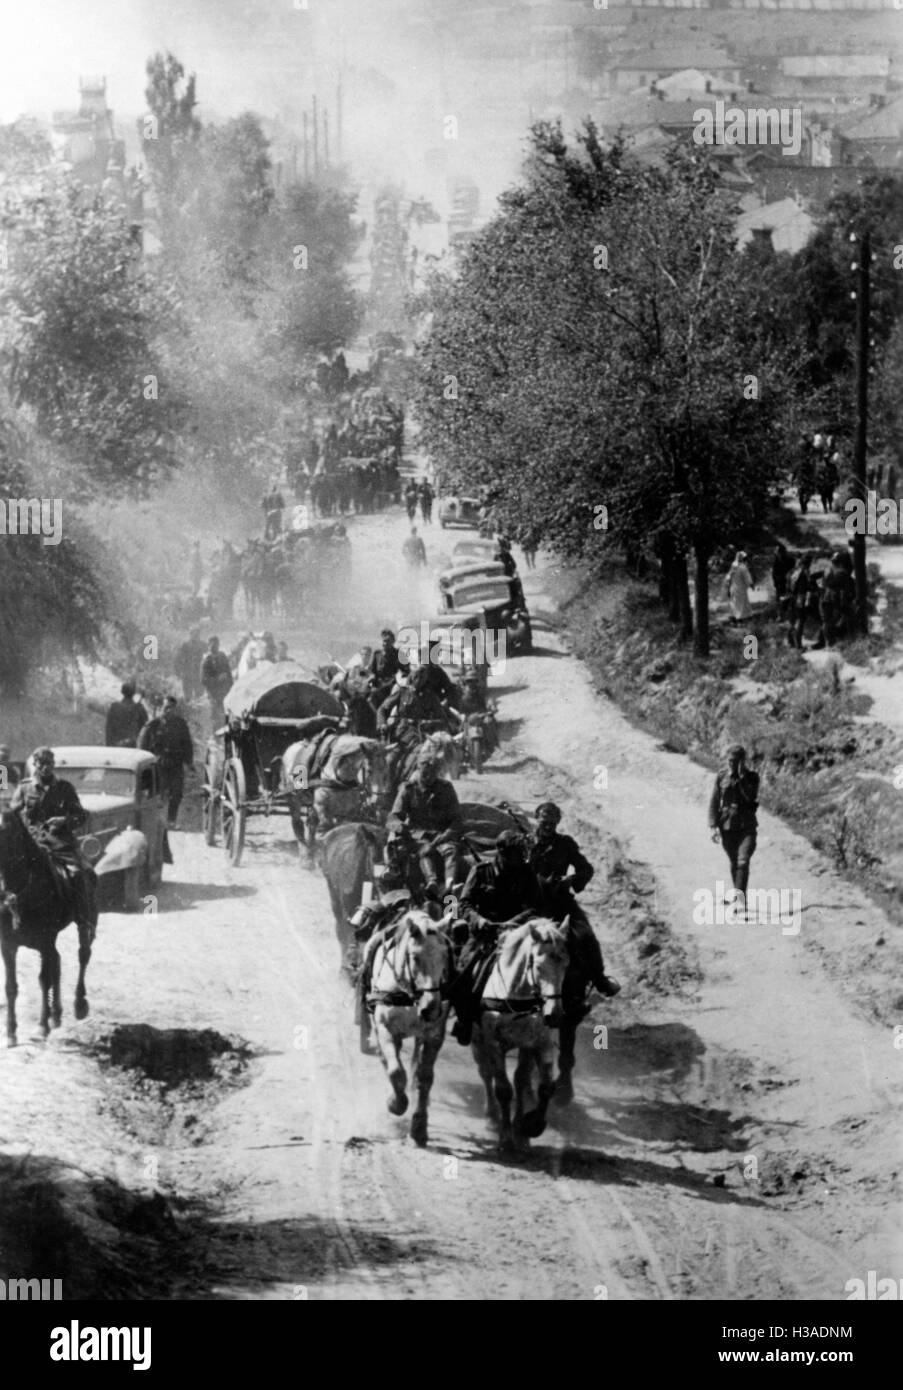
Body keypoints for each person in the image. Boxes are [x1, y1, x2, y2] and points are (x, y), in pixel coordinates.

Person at [449, 830, 547, 1045]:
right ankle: (464, 1020)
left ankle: (549, 1017)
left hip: (516, 935)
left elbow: (535, 906)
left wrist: (514, 923)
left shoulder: (527, 873)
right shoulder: (480, 871)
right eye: (517, 853)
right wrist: (480, 921)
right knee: (462, 975)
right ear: (502, 853)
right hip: (484, 936)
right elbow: (464, 904)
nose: (521, 858)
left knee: (547, 965)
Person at [528, 802, 620, 997]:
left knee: (587, 937)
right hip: (530, 903)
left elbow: (586, 869)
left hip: (560, 902)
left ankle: (600, 979)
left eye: (552, 823)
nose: (548, 826)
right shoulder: (525, 843)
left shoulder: (565, 843)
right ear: (536, 819)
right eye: (544, 821)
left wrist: (571, 880)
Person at [10, 747, 96, 933]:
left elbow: (81, 815)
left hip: (60, 844)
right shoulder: (24, 788)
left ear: (54, 765)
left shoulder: (65, 788)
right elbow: (12, 814)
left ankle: (84, 923)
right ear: (35, 765)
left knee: (78, 874)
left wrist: (64, 820)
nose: (45, 768)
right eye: (41, 764)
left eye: (49, 763)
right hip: (32, 844)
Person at [386, 751, 462, 901]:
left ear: (438, 772)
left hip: (442, 836)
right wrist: (400, 827)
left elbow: (457, 820)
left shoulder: (446, 789)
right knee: (425, 851)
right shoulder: (408, 789)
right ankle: (431, 882)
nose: (428, 776)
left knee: (451, 851)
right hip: (417, 837)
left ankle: (450, 887)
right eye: (425, 772)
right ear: (418, 769)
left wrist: (446, 835)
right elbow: (393, 817)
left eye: (433, 773)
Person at [708, 745, 759, 911]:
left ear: (742, 761)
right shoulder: (722, 776)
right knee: (734, 862)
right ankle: (739, 896)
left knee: (743, 860)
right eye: (729, 760)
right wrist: (713, 825)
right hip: (727, 825)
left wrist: (742, 777)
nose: (731, 764)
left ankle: (740, 902)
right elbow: (715, 801)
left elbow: (750, 797)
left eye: (735, 761)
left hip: (747, 825)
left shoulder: (752, 778)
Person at [139, 696, 194, 827]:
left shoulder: (181, 724)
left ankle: (171, 821)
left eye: (171, 708)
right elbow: (142, 745)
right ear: (161, 709)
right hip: (158, 766)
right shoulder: (152, 725)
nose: (168, 711)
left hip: (176, 764)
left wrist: (189, 762)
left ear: (175, 709)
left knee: (176, 794)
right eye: (166, 708)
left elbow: (187, 744)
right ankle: (153, 822)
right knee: (156, 794)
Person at [369, 630, 407, 710]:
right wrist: (372, 681)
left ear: (393, 641)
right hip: (378, 684)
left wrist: (400, 679)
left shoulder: (399, 654)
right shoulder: (377, 654)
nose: (385, 643)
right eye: (384, 641)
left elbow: (407, 670)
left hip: (392, 684)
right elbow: (372, 671)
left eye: (388, 641)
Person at [201, 636, 233, 726]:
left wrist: (232, 687)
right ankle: (215, 736)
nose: (213, 646)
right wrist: (217, 680)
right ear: (208, 646)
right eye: (211, 644)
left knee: (227, 714)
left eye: (216, 644)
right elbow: (204, 680)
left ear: (219, 645)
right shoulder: (207, 660)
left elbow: (228, 673)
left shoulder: (222, 656)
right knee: (215, 716)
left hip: (225, 691)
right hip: (213, 693)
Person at [105, 682, 148, 749]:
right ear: (133, 693)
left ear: (122, 692)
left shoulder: (114, 707)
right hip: (134, 747)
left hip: (116, 746)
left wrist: (109, 745)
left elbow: (109, 729)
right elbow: (145, 728)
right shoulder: (139, 708)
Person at [787, 553, 812, 649]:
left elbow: (788, 584)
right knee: (800, 620)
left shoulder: (793, 571)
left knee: (792, 620)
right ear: (808, 563)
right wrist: (806, 601)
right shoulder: (805, 572)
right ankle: (798, 645)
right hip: (800, 598)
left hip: (791, 597)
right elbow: (806, 587)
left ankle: (790, 641)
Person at [174, 627, 205, 703]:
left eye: (197, 634)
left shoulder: (203, 645)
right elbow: (178, 659)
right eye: (194, 634)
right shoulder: (185, 646)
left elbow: (208, 658)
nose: (196, 636)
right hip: (187, 675)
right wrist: (178, 672)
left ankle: (199, 712)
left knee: (200, 697)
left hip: (199, 675)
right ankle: (189, 711)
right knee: (187, 697)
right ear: (190, 634)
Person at [725, 551, 753, 624]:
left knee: (734, 604)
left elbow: (728, 578)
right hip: (741, 589)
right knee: (741, 605)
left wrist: (728, 588)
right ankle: (740, 621)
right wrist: (751, 585)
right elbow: (748, 579)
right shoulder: (743, 567)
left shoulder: (733, 566)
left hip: (733, 588)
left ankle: (733, 620)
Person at [771, 543, 794, 620]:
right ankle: (780, 616)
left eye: (778, 552)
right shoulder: (776, 560)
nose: (776, 554)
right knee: (779, 599)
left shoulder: (790, 560)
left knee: (788, 599)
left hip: (788, 583)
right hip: (779, 583)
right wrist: (775, 582)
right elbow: (774, 573)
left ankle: (788, 616)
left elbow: (793, 571)